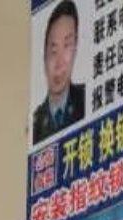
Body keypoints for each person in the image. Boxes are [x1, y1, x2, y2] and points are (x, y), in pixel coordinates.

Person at [32, 1, 85, 143]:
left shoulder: (85, 99)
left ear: (75, 49)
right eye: (54, 51)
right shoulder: (35, 124)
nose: (59, 63)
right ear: (44, 56)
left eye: (67, 46)